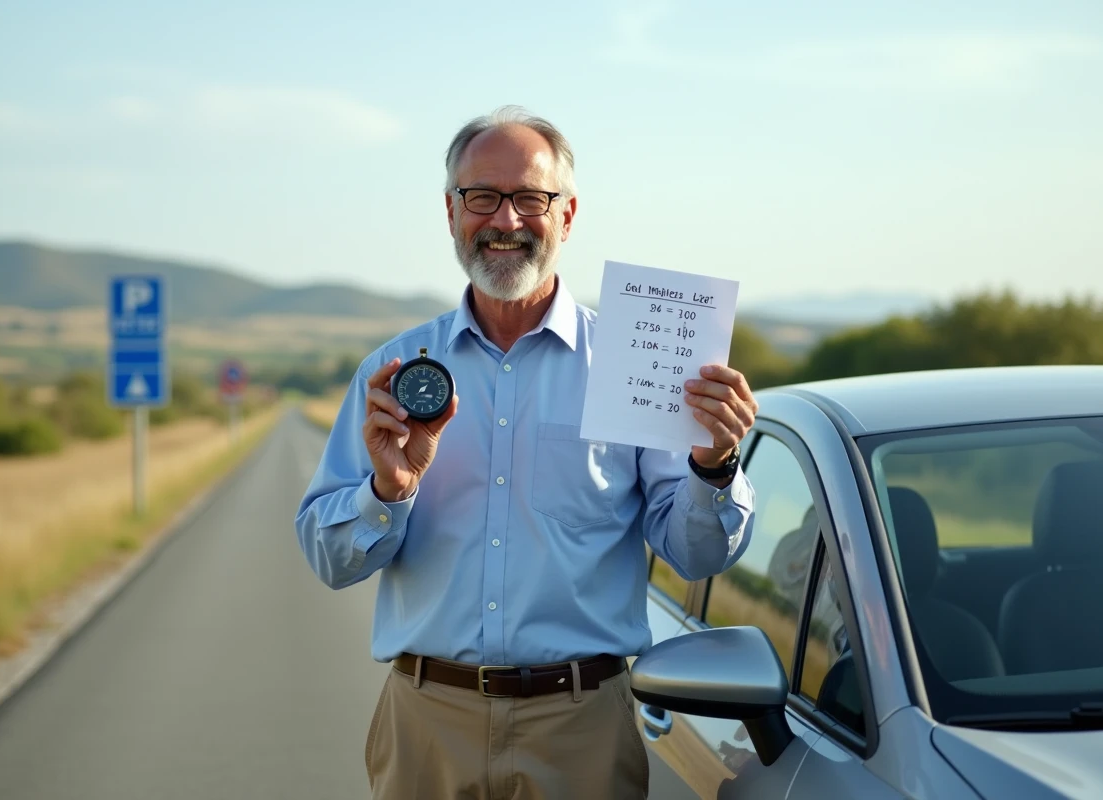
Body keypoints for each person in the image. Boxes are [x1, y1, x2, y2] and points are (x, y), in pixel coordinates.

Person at [295, 106, 758, 800]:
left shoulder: (634, 364)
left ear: (566, 216)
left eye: (530, 198)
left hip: (583, 727)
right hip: (426, 723)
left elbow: (696, 555)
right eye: (482, 196)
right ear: (451, 213)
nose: (505, 220)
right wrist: (387, 493)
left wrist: (713, 464)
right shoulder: (390, 372)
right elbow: (329, 560)